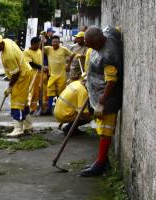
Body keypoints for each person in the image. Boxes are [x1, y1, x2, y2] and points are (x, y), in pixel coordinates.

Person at [80, 26, 123, 177]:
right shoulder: (108, 34)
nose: (87, 46)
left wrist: (102, 102)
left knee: (105, 131)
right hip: (97, 94)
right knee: (101, 129)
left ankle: (100, 165)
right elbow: (114, 29)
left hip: (107, 99)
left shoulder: (109, 55)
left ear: (98, 41)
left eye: (89, 44)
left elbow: (111, 81)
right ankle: (103, 160)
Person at [0, 34, 33, 137]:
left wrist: (9, 87)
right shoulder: (7, 41)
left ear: (0, 43)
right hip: (24, 73)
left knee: (16, 102)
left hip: (22, 76)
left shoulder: (9, 55)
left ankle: (18, 129)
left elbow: (16, 73)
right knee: (23, 101)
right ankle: (28, 126)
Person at [44, 35, 77, 115]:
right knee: (50, 92)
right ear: (51, 42)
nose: (55, 43)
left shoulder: (64, 49)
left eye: (56, 42)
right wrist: (43, 40)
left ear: (59, 42)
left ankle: (60, 109)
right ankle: (49, 109)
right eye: (53, 42)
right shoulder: (48, 49)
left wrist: (68, 65)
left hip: (61, 75)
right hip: (52, 75)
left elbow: (72, 54)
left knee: (61, 93)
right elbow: (40, 48)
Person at [23, 36, 44, 114]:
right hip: (33, 74)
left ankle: (39, 107)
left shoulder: (39, 50)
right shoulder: (26, 52)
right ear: (33, 44)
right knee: (33, 91)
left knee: (40, 91)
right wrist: (41, 67)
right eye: (38, 44)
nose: (39, 46)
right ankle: (31, 107)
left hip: (41, 73)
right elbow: (30, 63)